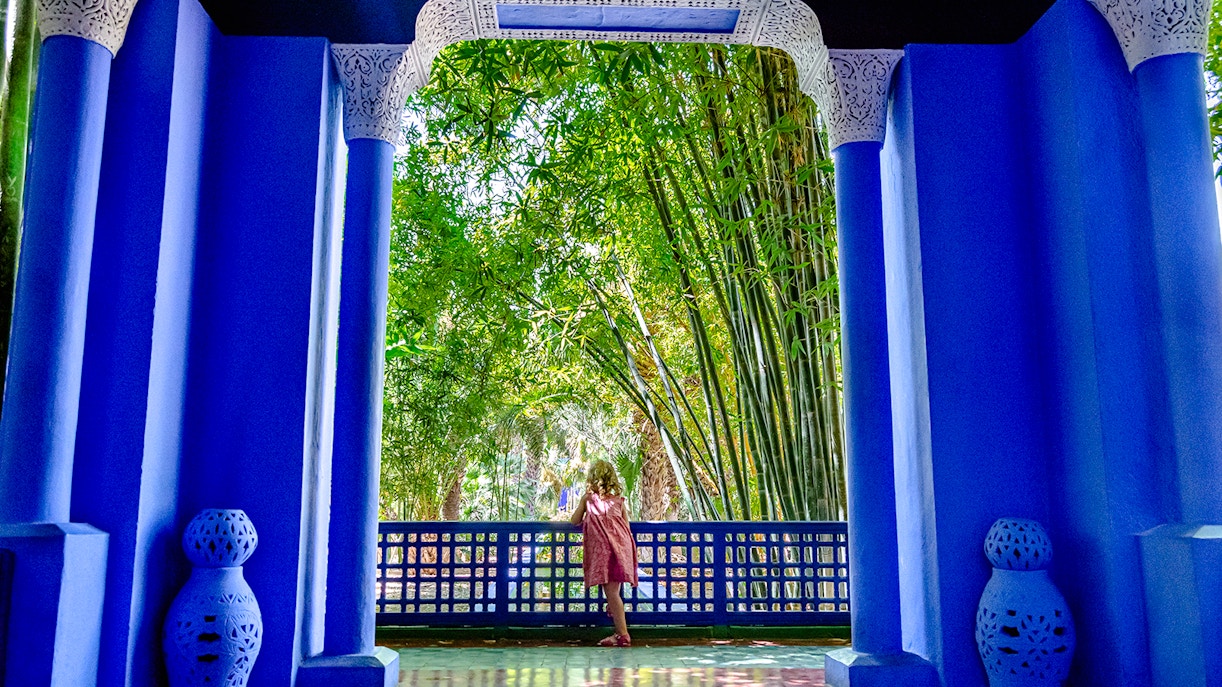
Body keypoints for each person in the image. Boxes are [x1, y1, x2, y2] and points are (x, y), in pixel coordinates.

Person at [569, 459, 638, 647]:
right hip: (621, 548)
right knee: (613, 590)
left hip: (604, 551)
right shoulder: (619, 501)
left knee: (612, 593)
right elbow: (626, 526)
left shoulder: (589, 500)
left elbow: (574, 520)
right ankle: (613, 609)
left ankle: (622, 635)